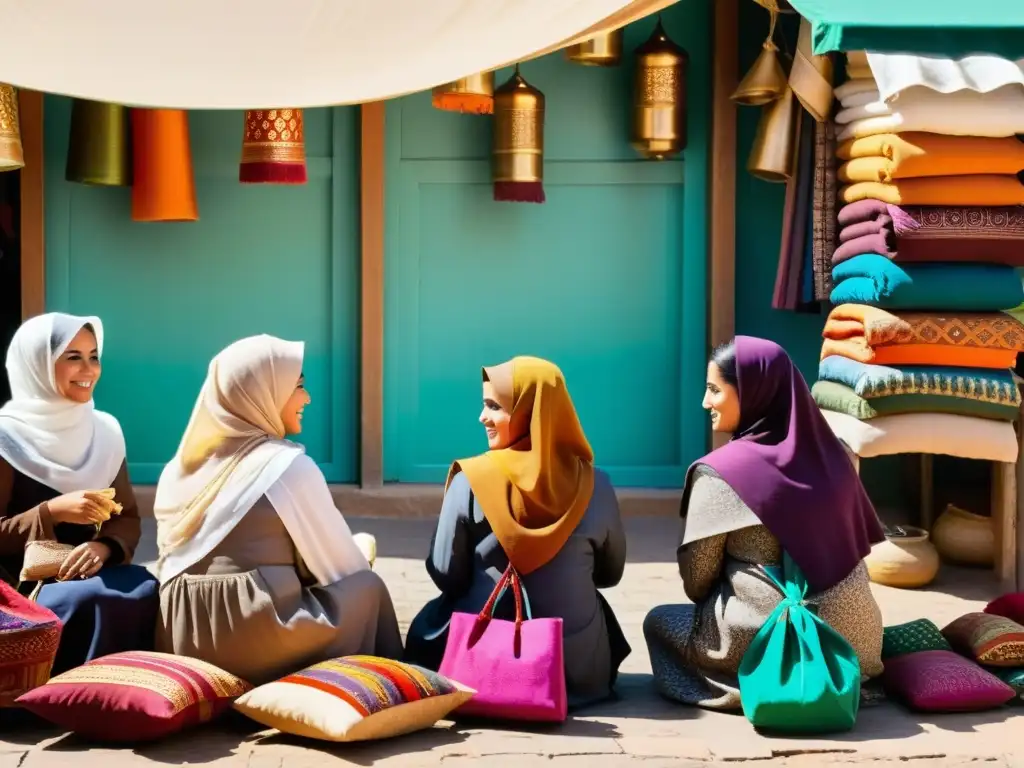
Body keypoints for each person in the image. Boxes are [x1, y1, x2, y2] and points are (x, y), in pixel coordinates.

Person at [643, 336, 885, 711]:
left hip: (767, 639)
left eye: (714, 390)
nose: (705, 403)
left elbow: (698, 581)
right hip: (860, 643)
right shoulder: (837, 454)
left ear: (753, 393)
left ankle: (765, 686)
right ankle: (837, 681)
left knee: (659, 622)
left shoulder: (720, 472)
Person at [153, 335, 403, 685]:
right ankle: (388, 687)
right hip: (258, 636)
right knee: (367, 587)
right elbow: (341, 566)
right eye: (296, 386)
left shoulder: (178, 469)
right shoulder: (285, 468)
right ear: (262, 393)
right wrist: (362, 553)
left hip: (182, 636)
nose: (307, 397)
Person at [404, 356, 630, 709]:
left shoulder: (471, 480)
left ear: (530, 412)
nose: (482, 417)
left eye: (494, 406)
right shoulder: (596, 485)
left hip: (480, 666)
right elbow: (610, 574)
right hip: (580, 671)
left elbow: (446, 574)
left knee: (427, 625)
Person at [0, 313, 158, 673]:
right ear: (37, 364)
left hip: (90, 569)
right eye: (73, 357)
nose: (88, 369)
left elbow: (127, 517)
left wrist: (103, 547)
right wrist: (51, 512)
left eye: (94, 356)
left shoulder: (104, 431)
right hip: (20, 582)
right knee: (91, 597)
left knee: (142, 587)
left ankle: (117, 695)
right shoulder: (6, 437)